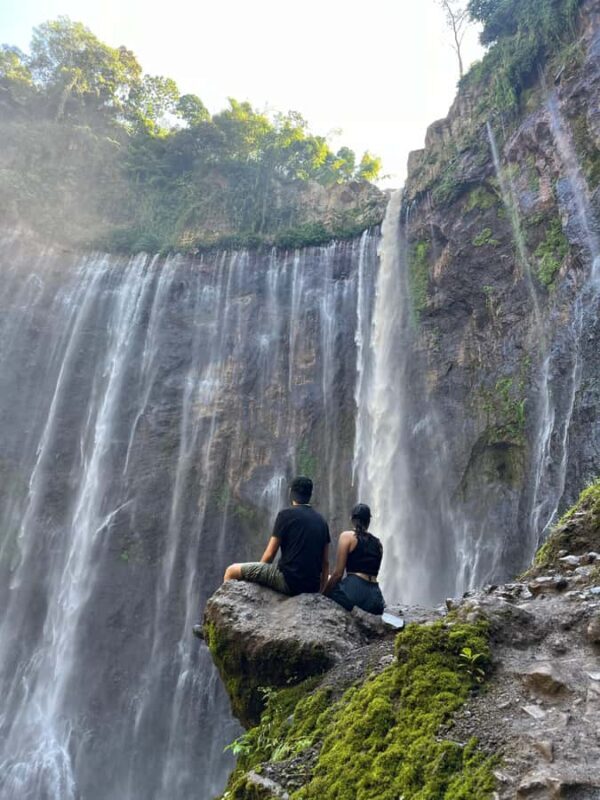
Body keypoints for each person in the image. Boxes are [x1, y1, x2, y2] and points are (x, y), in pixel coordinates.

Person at [222, 476, 330, 596]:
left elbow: (270, 554)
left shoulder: (286, 515)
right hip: (312, 586)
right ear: (310, 495)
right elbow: (325, 563)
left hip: (289, 582)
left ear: (290, 492)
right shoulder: (322, 521)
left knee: (231, 570)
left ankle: (225, 606)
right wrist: (321, 592)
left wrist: (257, 576)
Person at [323, 503, 385, 615]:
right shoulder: (378, 543)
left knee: (327, 579)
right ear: (369, 521)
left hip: (354, 592)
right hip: (375, 599)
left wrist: (324, 594)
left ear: (352, 519)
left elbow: (338, 574)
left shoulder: (347, 537)